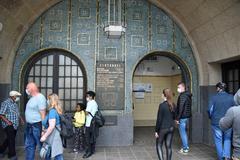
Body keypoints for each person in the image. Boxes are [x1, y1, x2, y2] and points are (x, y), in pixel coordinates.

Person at [208, 82, 235, 160]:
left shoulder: (213, 97)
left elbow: (209, 110)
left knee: (218, 140)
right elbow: (234, 109)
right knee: (227, 139)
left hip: (216, 122)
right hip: (228, 122)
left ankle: (221, 158)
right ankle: (226, 157)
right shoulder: (231, 97)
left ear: (218, 88)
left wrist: (211, 117)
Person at [24, 82, 47, 160]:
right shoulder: (31, 98)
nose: (26, 90)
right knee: (29, 145)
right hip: (29, 125)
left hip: (37, 125)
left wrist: (43, 129)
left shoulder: (40, 97)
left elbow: (43, 114)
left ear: (32, 88)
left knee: (42, 146)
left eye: (27, 88)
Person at [0, 91, 24, 160]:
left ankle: (1, 150)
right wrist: (8, 122)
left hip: (15, 125)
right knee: (11, 140)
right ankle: (12, 155)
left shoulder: (15, 104)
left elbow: (17, 113)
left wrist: (21, 119)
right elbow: (1, 114)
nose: (17, 98)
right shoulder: (5, 103)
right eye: (17, 96)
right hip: (8, 124)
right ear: (13, 96)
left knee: (9, 139)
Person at [40, 94, 64, 160]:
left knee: (55, 154)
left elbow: (51, 126)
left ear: (51, 101)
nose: (47, 101)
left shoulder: (52, 111)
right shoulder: (56, 110)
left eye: (48, 99)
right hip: (54, 135)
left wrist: (44, 136)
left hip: (52, 136)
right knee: (56, 153)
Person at [155, 88, 175, 160]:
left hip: (163, 128)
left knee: (159, 145)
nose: (161, 95)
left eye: (162, 93)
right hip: (171, 128)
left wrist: (156, 131)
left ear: (164, 95)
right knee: (168, 146)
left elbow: (159, 120)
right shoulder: (173, 104)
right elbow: (174, 117)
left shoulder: (162, 105)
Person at [220, 88, 240, 160]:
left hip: (238, 152)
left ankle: (224, 157)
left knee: (220, 139)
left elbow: (223, 125)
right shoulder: (230, 97)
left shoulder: (234, 110)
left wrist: (223, 118)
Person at [175, 82, 192, 154]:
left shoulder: (182, 96)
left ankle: (185, 148)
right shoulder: (187, 95)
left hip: (182, 117)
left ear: (182, 87)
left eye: (178, 87)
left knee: (183, 133)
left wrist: (177, 118)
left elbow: (181, 108)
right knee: (184, 132)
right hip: (187, 116)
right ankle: (185, 147)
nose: (177, 89)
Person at [83, 91, 98, 159]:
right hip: (93, 123)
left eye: (87, 96)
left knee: (87, 138)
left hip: (89, 123)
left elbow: (87, 113)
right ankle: (92, 150)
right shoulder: (95, 103)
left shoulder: (90, 103)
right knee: (92, 137)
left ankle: (88, 152)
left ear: (91, 97)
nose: (86, 97)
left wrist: (83, 111)